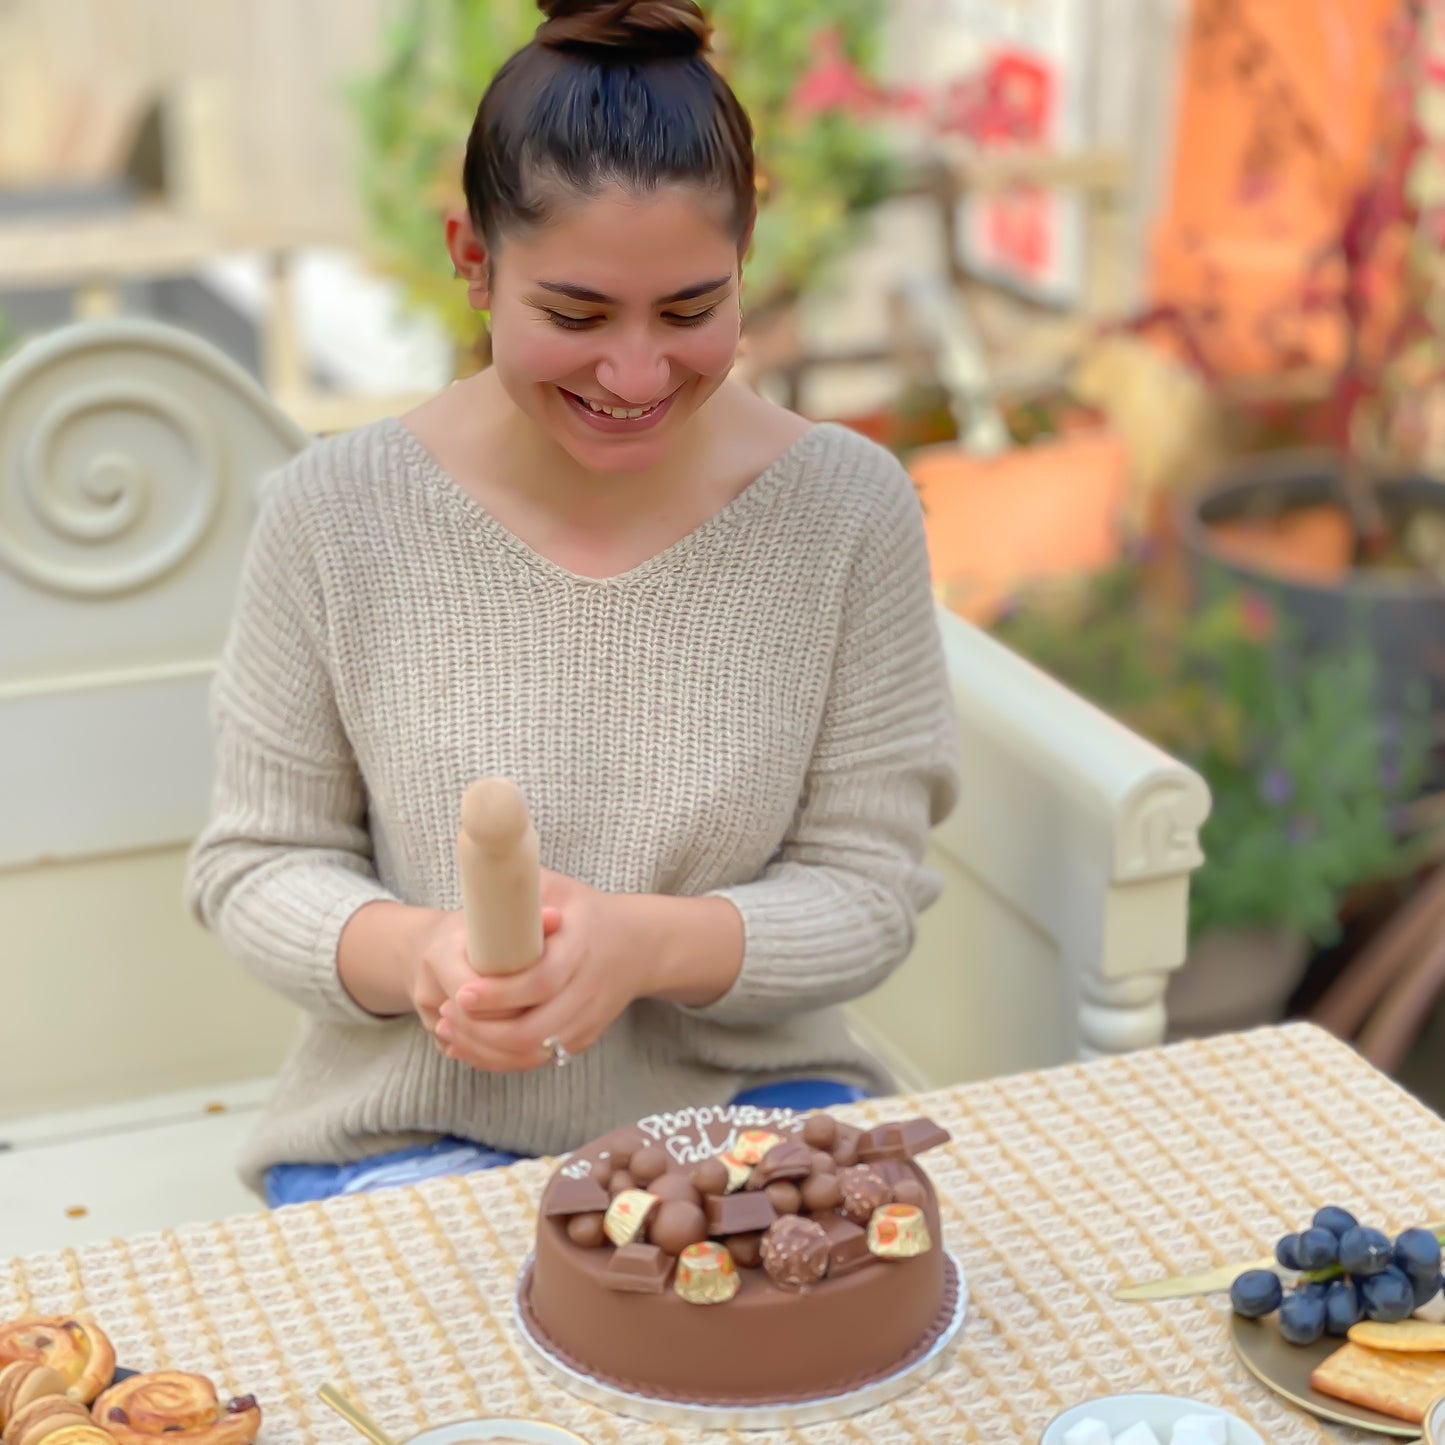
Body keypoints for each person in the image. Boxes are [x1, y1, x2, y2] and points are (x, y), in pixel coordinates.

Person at [185, 0, 960, 1207]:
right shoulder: (332, 515)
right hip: (408, 1136)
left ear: (747, 261)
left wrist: (644, 944)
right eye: (576, 315)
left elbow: (865, 892)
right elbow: (259, 861)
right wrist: (423, 956)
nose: (638, 374)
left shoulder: (845, 512)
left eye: (693, 310)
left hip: (754, 1118)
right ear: (471, 258)